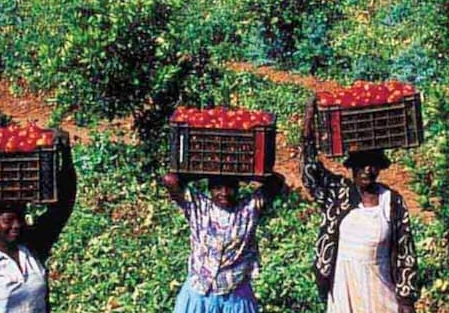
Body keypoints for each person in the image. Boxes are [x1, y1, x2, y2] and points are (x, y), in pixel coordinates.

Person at [301, 111, 418, 313]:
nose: (367, 170)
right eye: (362, 164)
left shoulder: (391, 201)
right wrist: (307, 132)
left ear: (380, 168)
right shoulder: (338, 194)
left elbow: (405, 251)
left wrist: (406, 299)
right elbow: (310, 173)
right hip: (344, 289)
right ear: (352, 167)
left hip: (381, 291)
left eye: (373, 164)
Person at [0, 146, 78, 313]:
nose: (16, 225)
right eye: (7, 221)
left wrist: (66, 156)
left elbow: (62, 207)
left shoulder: (33, 248)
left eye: (20, 218)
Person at [159, 172, 287, 313]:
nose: (224, 193)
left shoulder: (249, 209)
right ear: (210, 188)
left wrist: (242, 174)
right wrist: (206, 172)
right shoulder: (198, 206)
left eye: (230, 187)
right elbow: (169, 179)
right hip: (199, 293)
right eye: (218, 187)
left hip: (235, 295)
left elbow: (277, 180)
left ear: (238, 188)